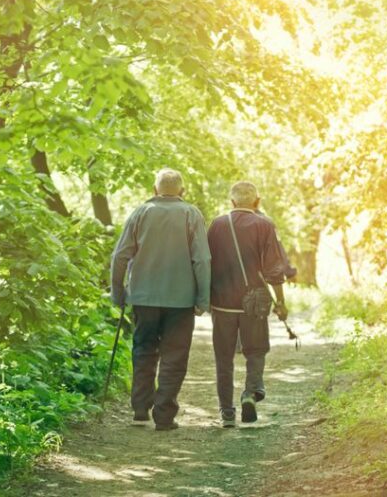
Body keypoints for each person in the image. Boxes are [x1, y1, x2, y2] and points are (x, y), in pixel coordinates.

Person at [110, 168, 211, 431]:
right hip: (180, 300)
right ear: (182, 191)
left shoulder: (140, 213)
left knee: (143, 350)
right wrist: (203, 297)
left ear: (155, 190)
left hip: (143, 297)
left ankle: (140, 408)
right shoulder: (191, 214)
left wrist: (118, 293)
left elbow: (120, 256)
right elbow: (202, 259)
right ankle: (165, 415)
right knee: (175, 356)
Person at [208, 181, 288, 427]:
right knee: (255, 351)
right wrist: (281, 302)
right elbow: (274, 268)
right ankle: (251, 394)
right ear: (257, 201)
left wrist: (203, 297)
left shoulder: (217, 225)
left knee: (224, 357)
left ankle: (227, 413)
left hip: (222, 303)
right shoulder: (264, 225)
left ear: (232, 202)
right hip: (254, 302)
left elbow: (204, 261)